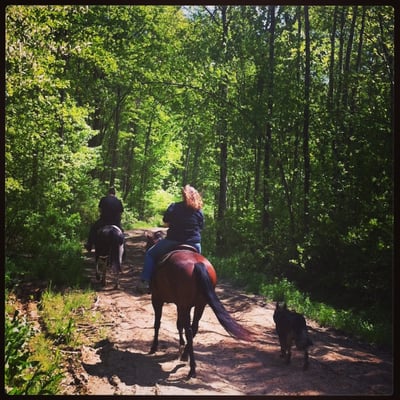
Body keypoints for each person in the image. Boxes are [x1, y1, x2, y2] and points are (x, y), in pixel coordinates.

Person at [138, 184, 204, 292]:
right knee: (200, 263)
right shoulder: (198, 211)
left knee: (150, 254)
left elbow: (166, 221)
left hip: (173, 241)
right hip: (194, 243)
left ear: (183, 195)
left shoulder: (174, 206)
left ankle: (145, 281)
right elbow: (201, 227)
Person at [85, 187, 124, 252]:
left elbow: (100, 210)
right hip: (115, 223)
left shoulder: (103, 199)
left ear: (108, 193)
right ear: (115, 193)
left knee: (93, 228)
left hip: (104, 221)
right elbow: (120, 213)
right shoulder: (118, 201)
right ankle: (124, 252)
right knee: (122, 234)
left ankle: (89, 245)